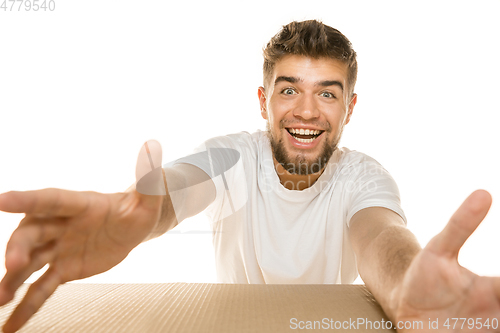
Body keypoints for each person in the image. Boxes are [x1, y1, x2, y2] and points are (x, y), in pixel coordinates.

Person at [0, 19, 498, 333]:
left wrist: (410, 285)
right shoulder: (232, 155)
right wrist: (138, 214)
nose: (307, 112)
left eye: (327, 93)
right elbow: (177, 190)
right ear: (264, 100)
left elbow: (381, 238)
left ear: (350, 107)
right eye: (289, 91)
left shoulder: (364, 178)